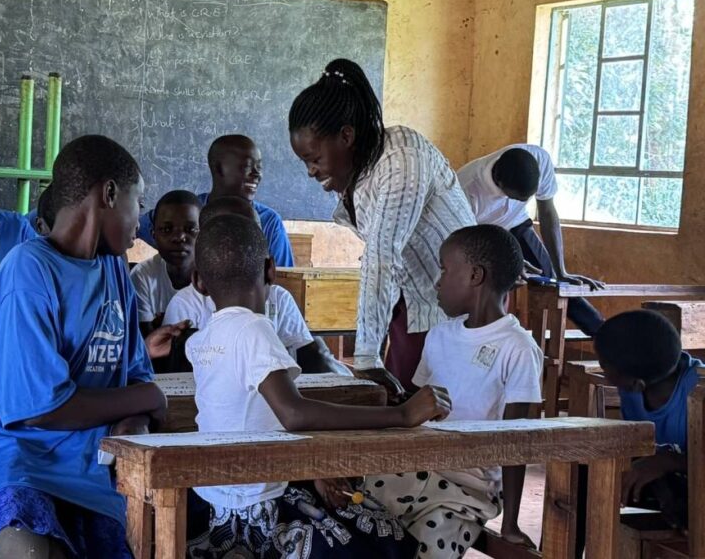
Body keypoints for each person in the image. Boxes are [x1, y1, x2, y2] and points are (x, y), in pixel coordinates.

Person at [0, 135, 165, 559]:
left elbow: (135, 372)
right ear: (108, 193)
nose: (142, 220)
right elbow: (38, 408)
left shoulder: (113, 268)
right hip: (15, 463)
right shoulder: (28, 271)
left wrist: (134, 419)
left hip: (91, 466)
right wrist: (145, 398)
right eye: (138, 202)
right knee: (29, 548)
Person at [185, 212, 451, 558]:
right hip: (260, 510)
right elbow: (293, 414)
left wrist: (313, 472)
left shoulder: (203, 339)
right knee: (383, 540)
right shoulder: (253, 328)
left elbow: (257, 420)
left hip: (216, 505)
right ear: (270, 269)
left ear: (198, 281)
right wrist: (400, 414)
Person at [289, 58, 475, 395]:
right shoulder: (359, 172)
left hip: (454, 309)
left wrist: (366, 359)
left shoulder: (401, 157)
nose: (311, 172)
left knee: (434, 409)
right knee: (402, 404)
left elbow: (382, 258)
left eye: (314, 159)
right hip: (415, 304)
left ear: (346, 136)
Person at [359, 224, 544, 555]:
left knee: (428, 549)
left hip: (469, 490)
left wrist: (511, 524)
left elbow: (519, 440)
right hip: (416, 467)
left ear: (475, 275)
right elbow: (415, 406)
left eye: (444, 270)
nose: (437, 282)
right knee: (356, 518)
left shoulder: (517, 348)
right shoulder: (439, 336)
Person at [162, 195, 348, 375]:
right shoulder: (185, 304)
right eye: (230, 233)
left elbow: (312, 359)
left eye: (254, 231)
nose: (246, 241)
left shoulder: (278, 298)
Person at [457, 144, 604, 334]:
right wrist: (509, 260)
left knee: (554, 281)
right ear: (500, 184)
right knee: (492, 287)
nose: (523, 201)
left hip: (517, 224)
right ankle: (486, 337)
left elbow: (547, 211)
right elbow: (465, 242)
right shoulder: (466, 188)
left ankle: (602, 332)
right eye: (517, 197)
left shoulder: (539, 159)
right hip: (482, 234)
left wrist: (560, 271)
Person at [593, 310, 702, 531]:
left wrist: (670, 461)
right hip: (674, 483)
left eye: (606, 371)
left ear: (637, 384)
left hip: (696, 485)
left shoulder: (698, 391)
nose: (605, 378)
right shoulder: (634, 389)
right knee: (588, 478)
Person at [137, 134, 295, 267]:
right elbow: (135, 228)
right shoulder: (187, 212)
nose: (256, 174)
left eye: (258, 167)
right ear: (218, 169)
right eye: (247, 166)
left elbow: (284, 281)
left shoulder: (269, 221)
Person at [130, 189, 201, 335]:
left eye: (191, 229)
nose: (179, 237)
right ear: (153, 235)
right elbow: (148, 343)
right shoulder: (142, 276)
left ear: (204, 234)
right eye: (167, 229)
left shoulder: (217, 279)